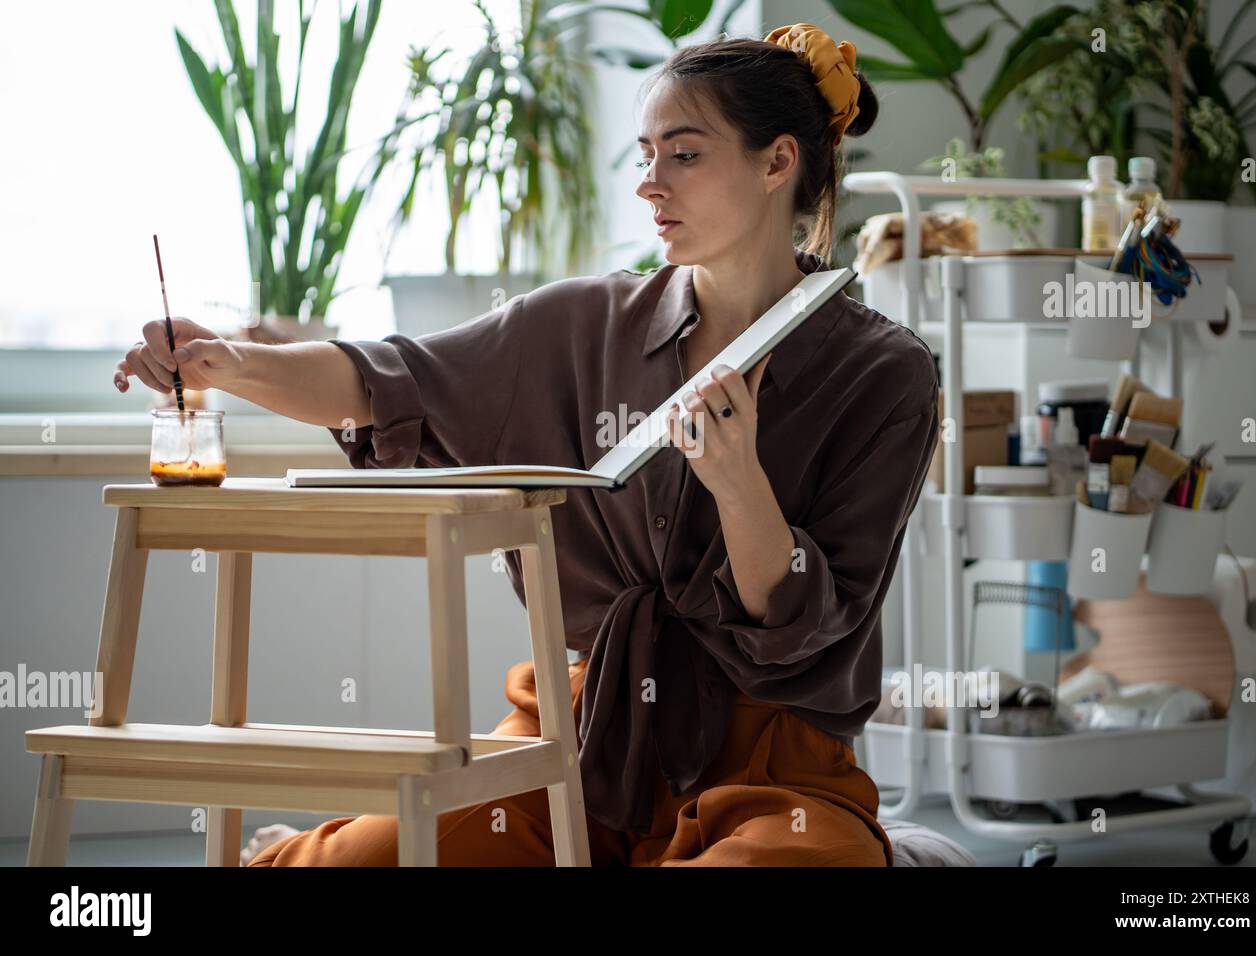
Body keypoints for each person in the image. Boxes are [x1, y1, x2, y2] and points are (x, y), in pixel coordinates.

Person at [114, 22, 939, 867]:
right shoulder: (578, 325)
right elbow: (388, 381)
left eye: (684, 155)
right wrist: (226, 361)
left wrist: (738, 486)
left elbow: (808, 624)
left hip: (774, 772)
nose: (651, 185)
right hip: (571, 744)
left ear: (777, 163)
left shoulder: (885, 374)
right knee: (361, 865)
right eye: (646, 155)